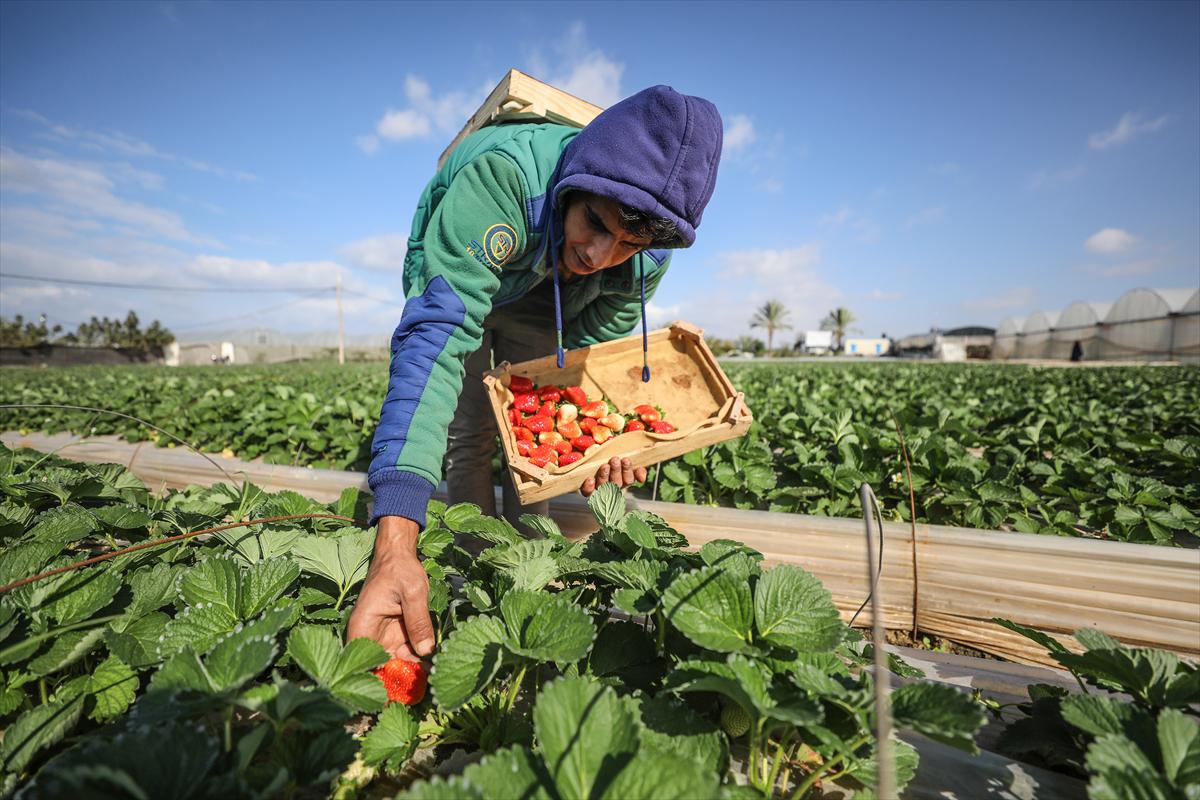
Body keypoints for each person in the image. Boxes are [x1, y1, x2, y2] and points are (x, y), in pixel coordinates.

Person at [346, 85, 724, 661]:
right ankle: (477, 561)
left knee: (534, 439)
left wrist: (596, 442)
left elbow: (589, 352)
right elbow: (434, 342)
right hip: (483, 263)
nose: (601, 254)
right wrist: (395, 537)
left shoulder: (649, 249)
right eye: (595, 222)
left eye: (628, 243)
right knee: (470, 427)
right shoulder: (502, 179)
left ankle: (526, 570)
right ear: (574, 184)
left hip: (548, 293)